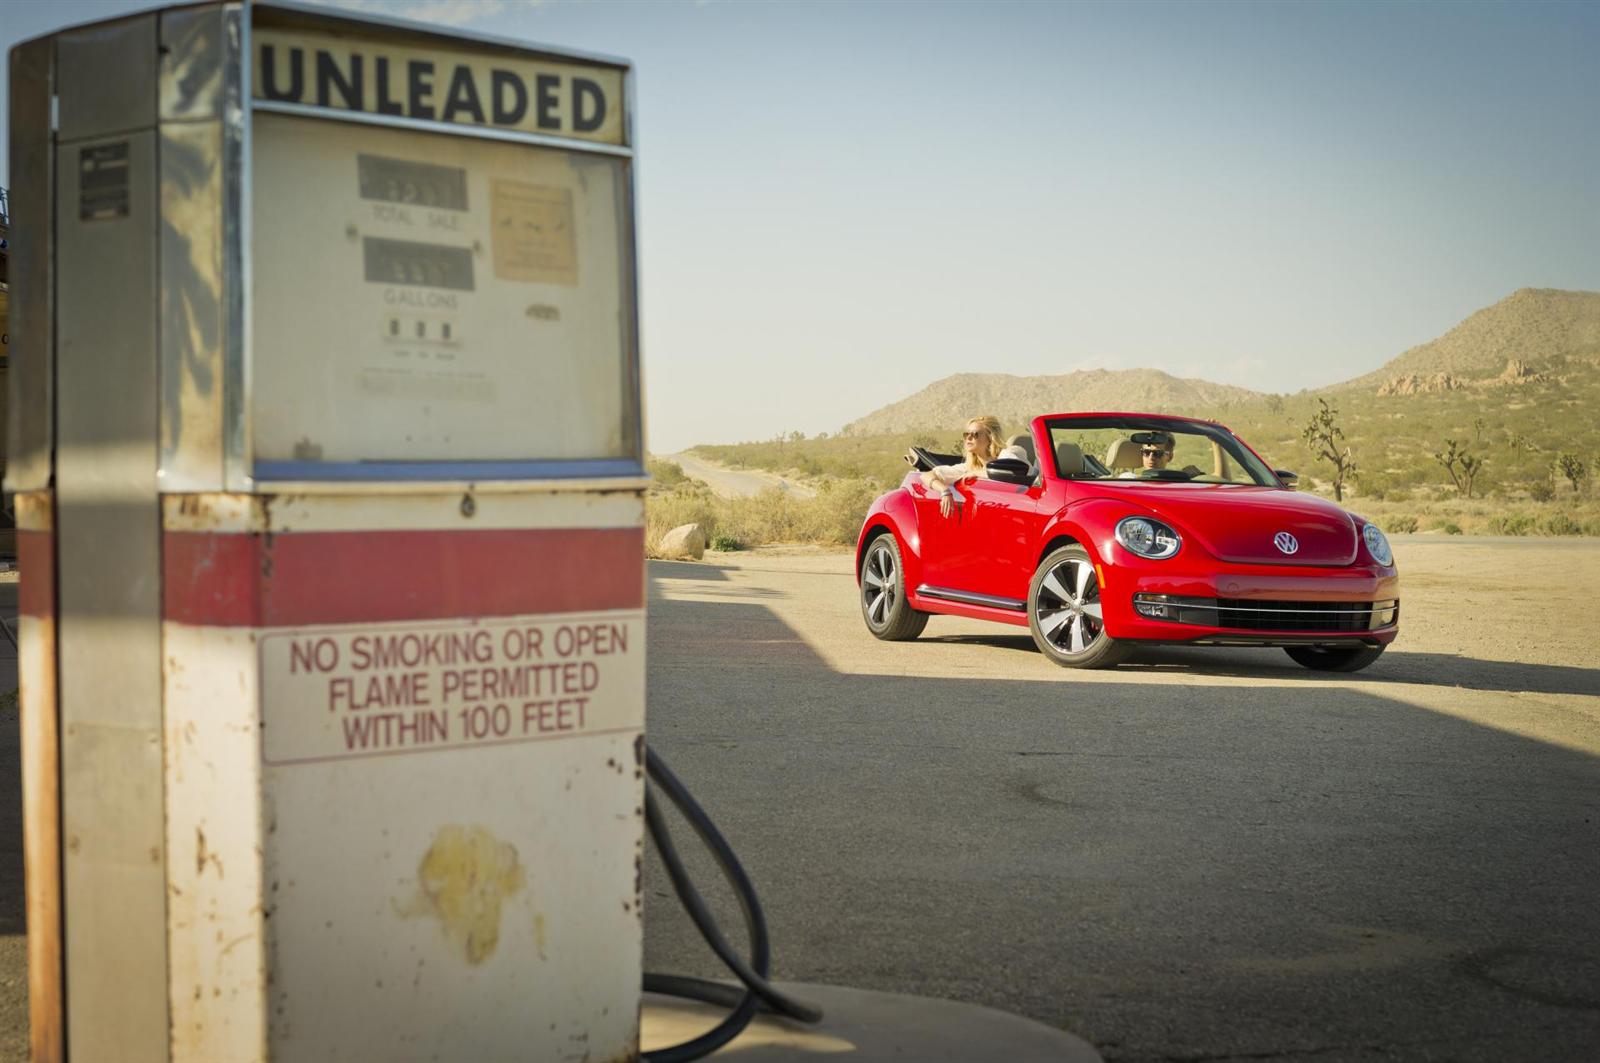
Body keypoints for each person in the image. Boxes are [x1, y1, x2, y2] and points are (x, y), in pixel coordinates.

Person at [920, 415, 1026, 516]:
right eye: (966, 434)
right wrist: (944, 491)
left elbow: (1013, 472)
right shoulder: (967, 468)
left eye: (975, 434)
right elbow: (926, 475)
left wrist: (976, 473)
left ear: (990, 438)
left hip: (1024, 507)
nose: (969, 438)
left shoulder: (1006, 455)